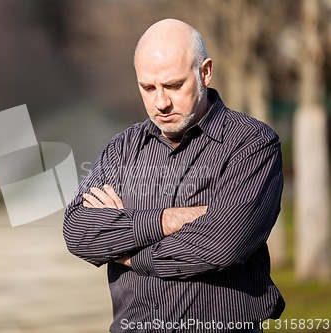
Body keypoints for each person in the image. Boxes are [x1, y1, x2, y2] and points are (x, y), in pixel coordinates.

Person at [63, 19, 285, 333]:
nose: (161, 102)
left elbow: (222, 244)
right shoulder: (122, 148)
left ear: (205, 72)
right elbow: (77, 230)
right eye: (148, 87)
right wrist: (167, 220)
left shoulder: (252, 145)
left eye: (173, 85)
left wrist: (128, 251)